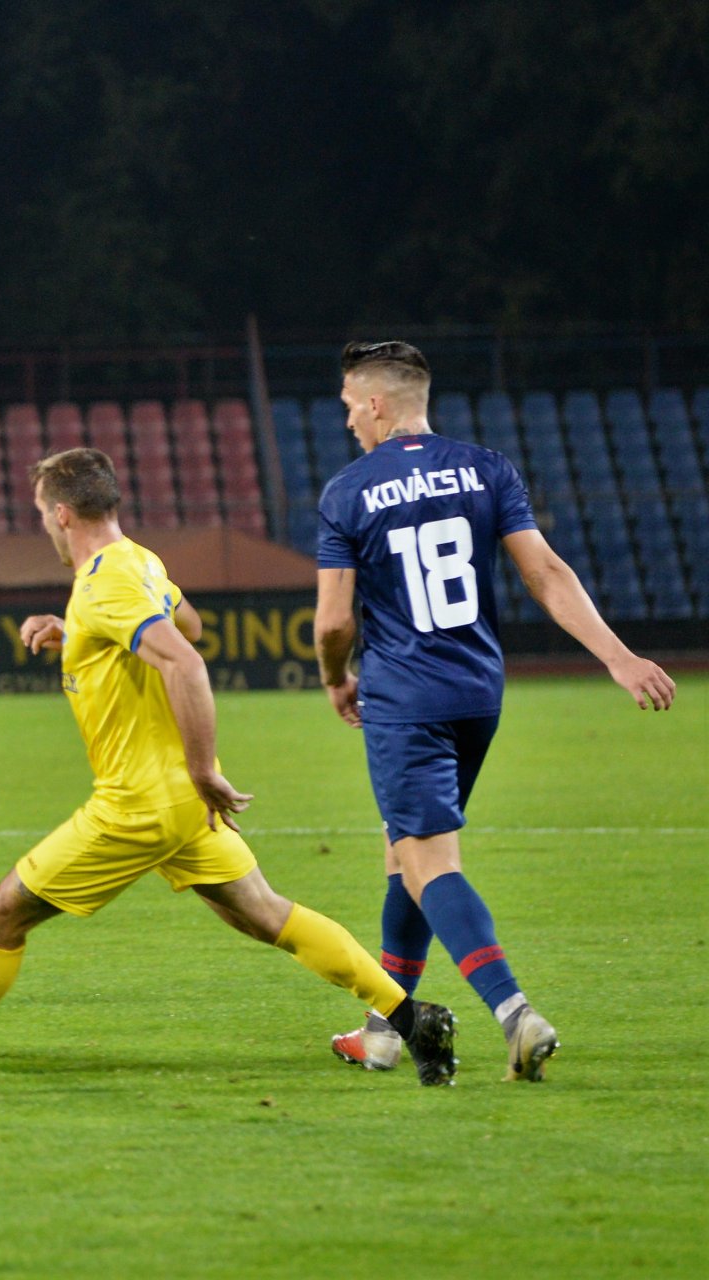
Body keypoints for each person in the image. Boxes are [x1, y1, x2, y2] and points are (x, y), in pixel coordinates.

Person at [0, 448, 461, 1085]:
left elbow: (185, 661)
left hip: (139, 805)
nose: (43, 526)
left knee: (1, 914)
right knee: (267, 914)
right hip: (184, 809)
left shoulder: (106, 580)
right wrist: (79, 631)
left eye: (41, 514)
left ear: (61, 513)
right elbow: (189, 624)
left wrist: (202, 768)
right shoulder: (140, 562)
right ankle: (412, 1018)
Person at [314, 340, 675, 1083]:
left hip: (404, 696)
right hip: (478, 693)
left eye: (352, 405)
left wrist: (334, 677)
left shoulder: (348, 490)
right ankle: (386, 1029)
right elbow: (543, 571)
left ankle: (514, 1014)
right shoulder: (487, 468)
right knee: (403, 857)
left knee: (428, 860)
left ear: (378, 403)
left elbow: (331, 623)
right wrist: (617, 655)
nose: (348, 419)